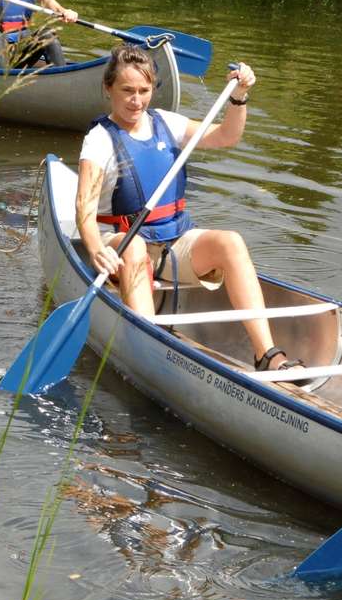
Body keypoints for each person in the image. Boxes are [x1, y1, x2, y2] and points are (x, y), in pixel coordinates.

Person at [75, 46, 301, 374]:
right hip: (121, 246)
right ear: (108, 88)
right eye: (127, 90)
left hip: (173, 243)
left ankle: (266, 354)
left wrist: (239, 97)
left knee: (231, 242)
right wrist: (96, 249)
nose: (136, 100)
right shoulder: (99, 140)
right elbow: (84, 205)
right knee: (135, 246)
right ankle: (148, 347)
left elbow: (226, 136)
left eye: (144, 91)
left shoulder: (166, 123)